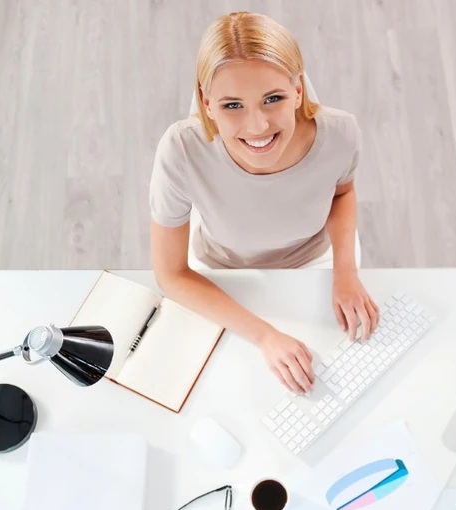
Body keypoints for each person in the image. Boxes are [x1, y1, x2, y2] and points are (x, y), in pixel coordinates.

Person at [148, 11, 380, 395]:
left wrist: (345, 272)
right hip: (221, 271)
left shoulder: (340, 133)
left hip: (316, 261)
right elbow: (171, 274)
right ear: (207, 103)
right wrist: (264, 336)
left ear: (298, 90)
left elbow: (342, 193)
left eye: (273, 99)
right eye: (232, 105)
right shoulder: (181, 151)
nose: (258, 127)